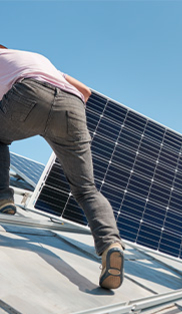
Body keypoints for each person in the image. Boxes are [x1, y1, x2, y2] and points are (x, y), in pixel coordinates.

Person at [0, 45, 124, 290]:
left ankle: (4, 198)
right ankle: (111, 244)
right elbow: (86, 92)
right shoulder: (38, 58)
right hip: (73, 104)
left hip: (29, 93)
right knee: (86, 188)